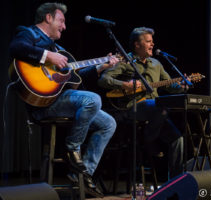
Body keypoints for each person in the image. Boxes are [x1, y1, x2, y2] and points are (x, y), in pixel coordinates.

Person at [8, 2, 117, 198]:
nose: (64, 26)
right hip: (43, 105)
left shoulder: (58, 49)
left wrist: (101, 67)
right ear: (48, 18)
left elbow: (75, 74)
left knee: (109, 123)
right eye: (61, 21)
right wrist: (47, 56)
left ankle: (83, 176)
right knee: (93, 99)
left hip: (60, 100)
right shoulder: (28, 33)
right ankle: (72, 149)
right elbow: (16, 47)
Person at [98, 27, 189, 179]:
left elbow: (169, 86)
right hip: (133, 107)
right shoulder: (125, 61)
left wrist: (182, 86)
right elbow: (103, 80)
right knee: (161, 106)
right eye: (148, 41)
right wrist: (124, 85)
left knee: (177, 139)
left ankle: (175, 181)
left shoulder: (156, 63)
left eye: (152, 42)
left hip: (156, 111)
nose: (152, 44)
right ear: (137, 45)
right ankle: (149, 141)